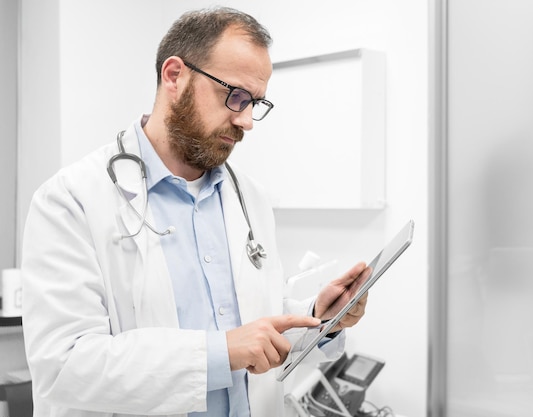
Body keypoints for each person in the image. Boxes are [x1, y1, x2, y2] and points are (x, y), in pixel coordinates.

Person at [20, 7, 370, 417]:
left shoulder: (250, 199)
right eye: (235, 96)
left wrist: (316, 319)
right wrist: (220, 353)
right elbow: (63, 368)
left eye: (255, 103)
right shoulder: (71, 200)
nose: (246, 120)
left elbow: (255, 327)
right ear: (174, 76)